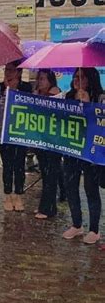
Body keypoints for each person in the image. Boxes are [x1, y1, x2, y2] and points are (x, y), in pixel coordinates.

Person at [62, 68, 103, 245]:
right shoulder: (69, 96)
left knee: (91, 189)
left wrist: (88, 105)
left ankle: (94, 229)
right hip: (72, 149)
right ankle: (76, 223)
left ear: (91, 79)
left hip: (91, 151)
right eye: (75, 77)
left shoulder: (100, 98)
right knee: (70, 186)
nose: (77, 80)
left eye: (81, 77)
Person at [0, 60, 32, 212]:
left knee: (19, 164)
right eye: (6, 69)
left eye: (11, 70)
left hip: (20, 131)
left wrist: (14, 91)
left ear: (18, 72)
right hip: (2, 132)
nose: (7, 72)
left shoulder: (26, 87)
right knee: (7, 164)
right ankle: (7, 194)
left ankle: (18, 194)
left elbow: (28, 107)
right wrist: (6, 91)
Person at [33, 69, 63, 219]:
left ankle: (48, 208)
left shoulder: (55, 94)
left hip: (53, 142)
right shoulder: (39, 94)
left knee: (51, 174)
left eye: (43, 79)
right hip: (41, 140)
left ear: (51, 80)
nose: (40, 82)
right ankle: (45, 205)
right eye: (39, 79)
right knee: (45, 174)